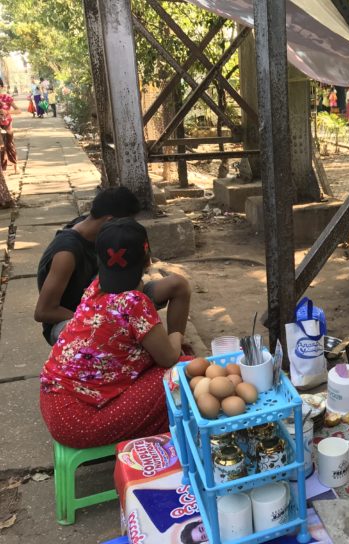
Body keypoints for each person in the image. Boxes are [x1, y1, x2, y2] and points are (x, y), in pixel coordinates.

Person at [39, 218, 184, 448]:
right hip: (80, 423)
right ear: (147, 258)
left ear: (100, 259)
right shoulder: (135, 302)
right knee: (184, 371)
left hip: (54, 404)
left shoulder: (94, 288)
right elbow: (168, 358)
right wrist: (177, 337)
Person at [35, 186, 191, 346]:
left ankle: (176, 345)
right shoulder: (66, 253)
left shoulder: (99, 229)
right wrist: (98, 317)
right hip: (75, 318)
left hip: (115, 302)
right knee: (120, 334)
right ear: (110, 220)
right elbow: (44, 311)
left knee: (177, 285)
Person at [0, 78, 22, 175]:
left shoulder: (7, 98)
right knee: (1, 146)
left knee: (10, 145)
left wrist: (7, 112)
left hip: (7, 124)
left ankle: (15, 165)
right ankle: (3, 169)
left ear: (1, 87)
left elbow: (19, 110)